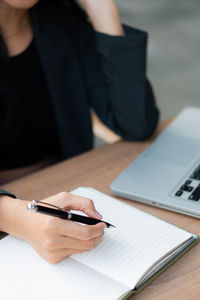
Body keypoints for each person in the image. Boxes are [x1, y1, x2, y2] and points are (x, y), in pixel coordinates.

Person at [0, 0, 159, 263]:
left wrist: (103, 9)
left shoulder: (60, 19)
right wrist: (14, 216)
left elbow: (136, 124)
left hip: (68, 188)